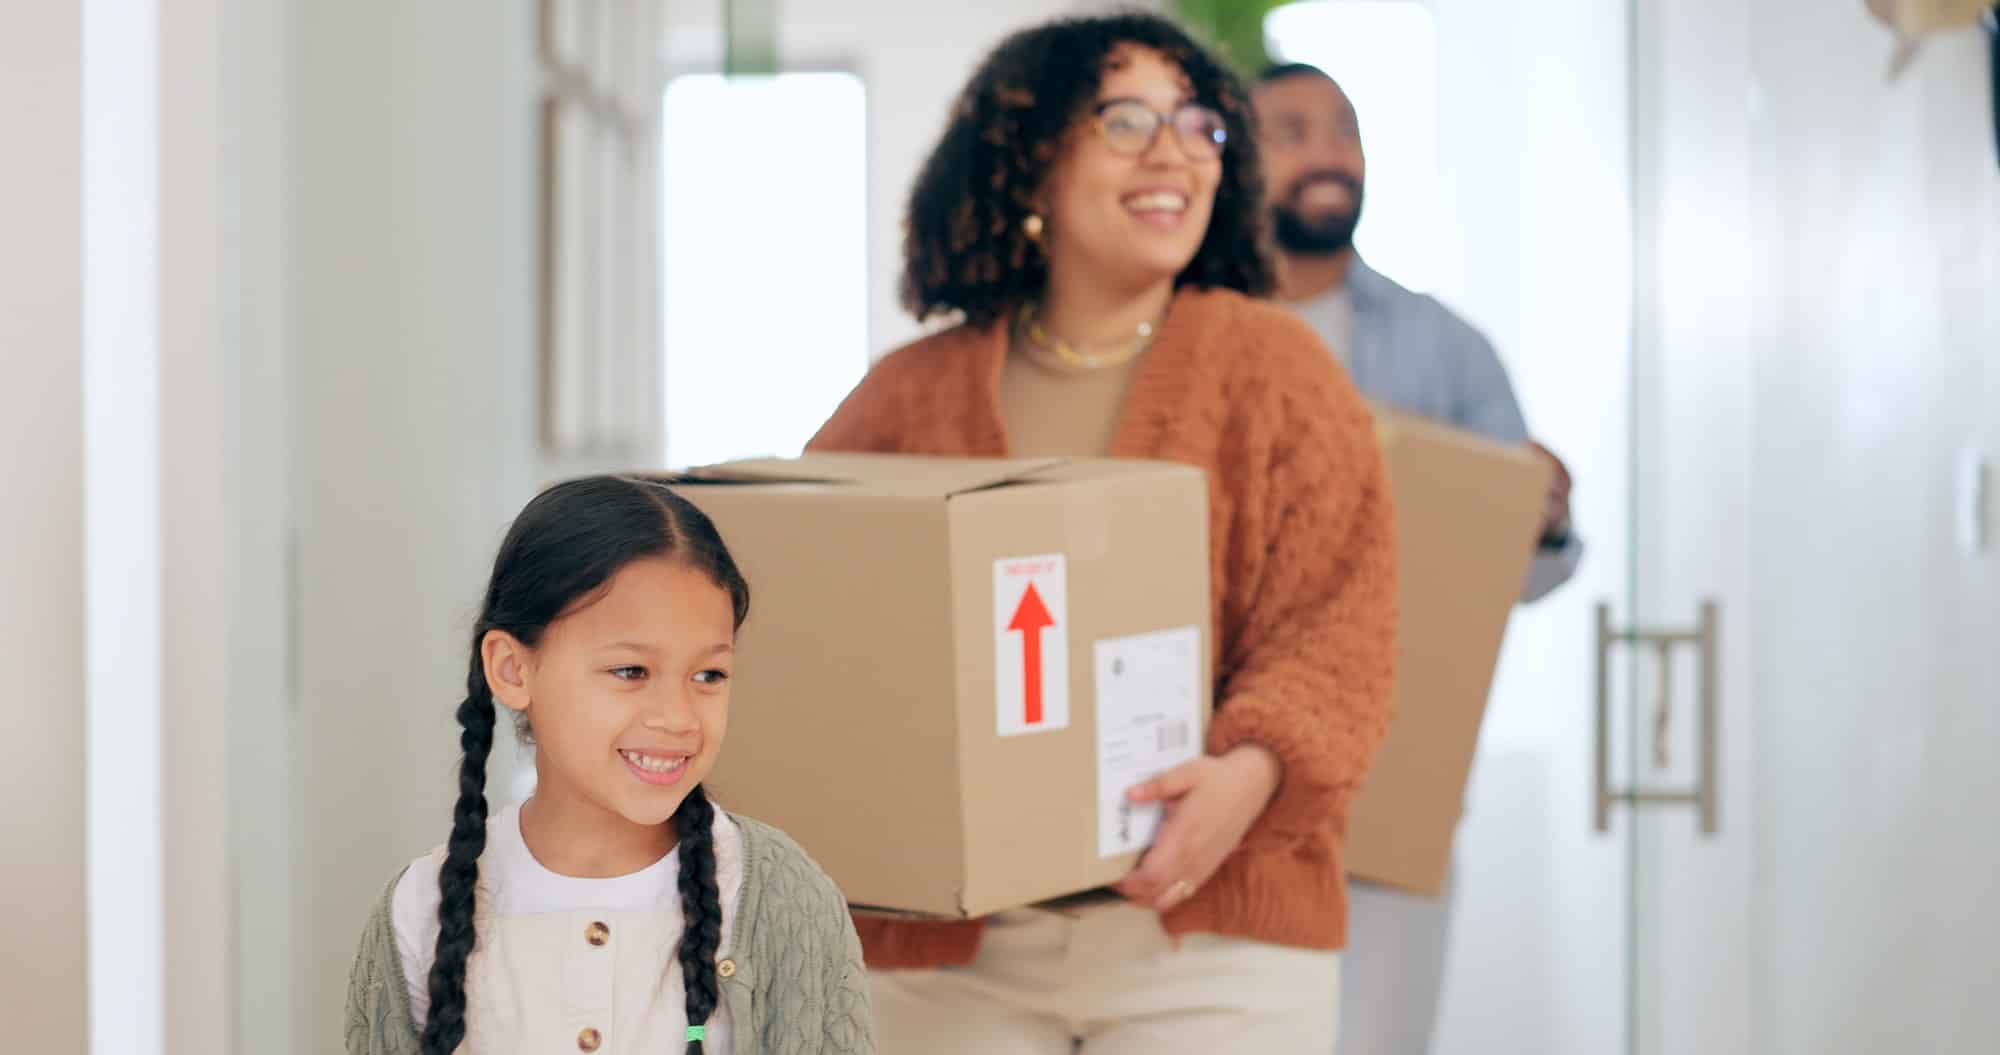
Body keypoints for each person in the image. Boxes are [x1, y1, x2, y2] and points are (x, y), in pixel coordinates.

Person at [807, 13, 1398, 1053]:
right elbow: (804, 607)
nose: (1172, 151)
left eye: (1197, 126)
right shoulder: (910, 396)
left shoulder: (1277, 371)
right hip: (950, 960)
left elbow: (1342, 624)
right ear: (1031, 158)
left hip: (1212, 947)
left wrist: (1249, 772)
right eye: (1124, 121)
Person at [1254, 61, 1585, 1054]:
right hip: (1217, 806)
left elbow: (1524, 577)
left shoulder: (1445, 350)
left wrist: (1540, 518)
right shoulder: (1183, 336)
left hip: (1387, 800)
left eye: (1344, 129)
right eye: (1292, 129)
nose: (1327, 151)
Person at [343, 476, 875, 1055]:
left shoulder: (778, 898)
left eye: (708, 676)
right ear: (513, 670)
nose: (677, 717)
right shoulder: (420, 910)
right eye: (631, 671)